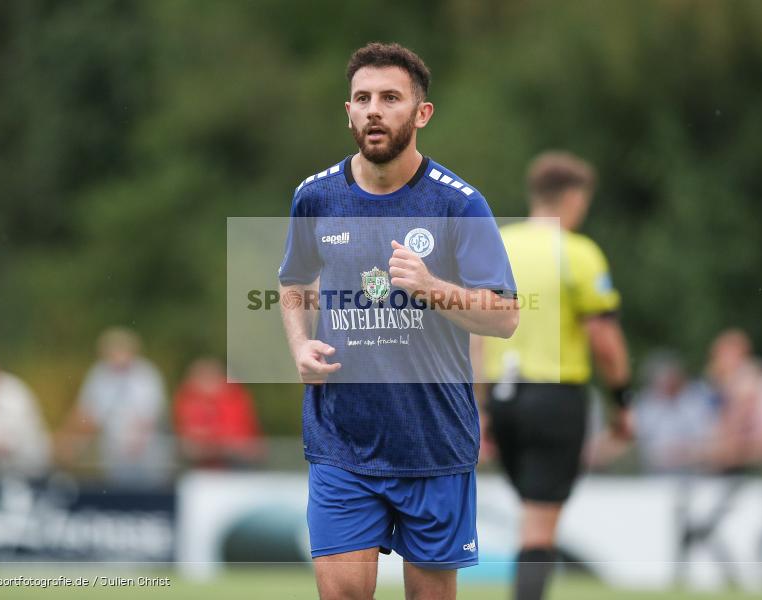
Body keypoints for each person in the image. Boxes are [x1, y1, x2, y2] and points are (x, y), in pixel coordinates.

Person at [278, 42, 517, 600]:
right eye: (362, 98)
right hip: (342, 441)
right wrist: (299, 344)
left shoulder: (460, 205)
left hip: (434, 441)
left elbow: (505, 317)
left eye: (390, 98)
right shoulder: (314, 197)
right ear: (348, 111)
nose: (374, 110)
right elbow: (293, 283)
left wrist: (432, 287)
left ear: (421, 113)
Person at [476, 152, 633, 600]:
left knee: (530, 513)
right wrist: (623, 401)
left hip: (503, 399)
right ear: (572, 197)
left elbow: (477, 333)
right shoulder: (577, 251)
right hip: (555, 397)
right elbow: (604, 338)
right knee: (539, 525)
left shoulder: (499, 245)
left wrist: (479, 404)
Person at [57, 327, 172, 487]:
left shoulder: (146, 375)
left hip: (146, 453)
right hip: (113, 452)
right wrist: (68, 440)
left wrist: (135, 441)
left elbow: (149, 416)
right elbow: (86, 413)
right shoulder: (99, 374)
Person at [632, 351, 717, 474]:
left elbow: (707, 438)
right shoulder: (646, 403)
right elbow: (642, 441)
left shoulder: (697, 399)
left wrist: (683, 453)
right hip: (654, 475)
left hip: (695, 474)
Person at [174, 358, 265, 468]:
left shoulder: (234, 397)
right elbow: (188, 440)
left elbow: (240, 440)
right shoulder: (188, 398)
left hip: (235, 464)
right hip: (200, 466)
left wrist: (210, 441)